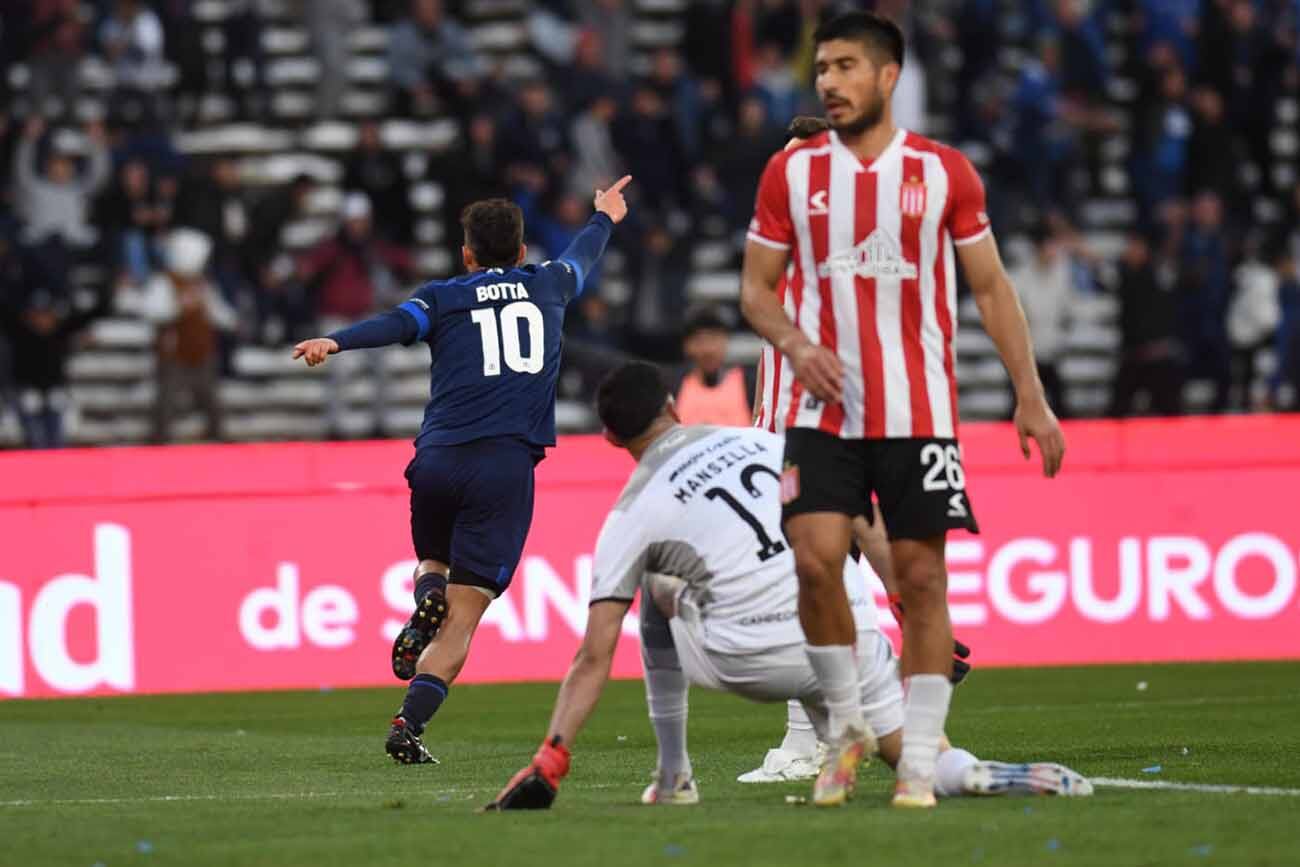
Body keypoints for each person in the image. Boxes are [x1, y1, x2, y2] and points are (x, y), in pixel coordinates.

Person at [485, 363, 1090, 810]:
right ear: (675, 404)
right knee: (913, 755)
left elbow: (594, 654)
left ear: (613, 440)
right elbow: (864, 520)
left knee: (657, 592)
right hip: (845, 629)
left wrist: (552, 755)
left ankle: (674, 777)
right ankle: (966, 768)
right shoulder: (764, 441)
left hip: (752, 659)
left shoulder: (629, 514)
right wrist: (906, 610)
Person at [738, 12, 1065, 808]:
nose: (829, 81)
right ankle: (846, 726)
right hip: (822, 412)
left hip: (917, 409)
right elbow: (753, 290)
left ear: (887, 76)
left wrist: (1030, 391)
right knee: (814, 561)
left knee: (920, 577)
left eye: (846, 66)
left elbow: (989, 287)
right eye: (823, 68)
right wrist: (792, 341)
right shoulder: (791, 176)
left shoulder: (946, 172)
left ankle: (917, 756)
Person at [291, 178, 633, 765]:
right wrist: (604, 216)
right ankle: (408, 724)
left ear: (467, 254)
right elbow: (583, 256)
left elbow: (396, 325)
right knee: (465, 613)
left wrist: (336, 341)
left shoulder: (443, 296)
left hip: (438, 460)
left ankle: (426, 591)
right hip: (503, 466)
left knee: (433, 560)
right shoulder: (549, 283)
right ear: (522, 252)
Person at [297, 192, 414, 439]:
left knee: (382, 367)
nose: (357, 227)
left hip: (367, 315)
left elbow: (405, 263)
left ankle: (380, 424)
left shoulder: (375, 246)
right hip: (336, 316)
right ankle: (335, 426)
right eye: (353, 221)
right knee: (339, 372)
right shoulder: (332, 247)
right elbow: (307, 270)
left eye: (361, 221)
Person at [138, 228, 236, 444]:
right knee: (167, 398)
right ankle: (158, 439)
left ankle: (218, 436)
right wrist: (178, 307)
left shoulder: (202, 283)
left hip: (202, 351)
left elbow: (217, 310)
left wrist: (231, 320)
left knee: (211, 398)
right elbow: (151, 311)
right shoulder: (164, 283)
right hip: (174, 352)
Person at [674, 305, 755, 427]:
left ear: (726, 340)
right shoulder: (673, 386)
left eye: (714, 338)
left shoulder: (750, 384)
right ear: (686, 345)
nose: (708, 349)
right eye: (700, 340)